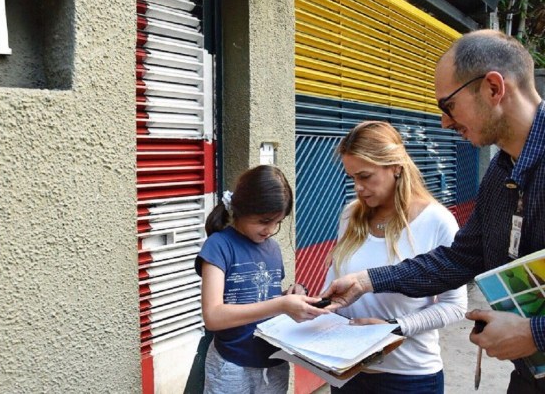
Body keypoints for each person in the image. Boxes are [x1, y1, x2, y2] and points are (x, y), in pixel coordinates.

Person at [321, 29, 545, 393]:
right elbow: (458, 260)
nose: (444, 122)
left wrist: (534, 332)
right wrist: (367, 281)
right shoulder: (499, 172)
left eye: (448, 105)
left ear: (493, 88)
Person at [321, 121, 467, 393]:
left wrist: (393, 328)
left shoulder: (437, 221)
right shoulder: (349, 215)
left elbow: (454, 306)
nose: (359, 188)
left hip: (409, 376)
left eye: (365, 176)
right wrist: (313, 302)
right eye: (352, 178)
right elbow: (336, 284)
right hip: (346, 371)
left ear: (396, 166)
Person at [195, 165, 328, 394]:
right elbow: (213, 317)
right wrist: (280, 304)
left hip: (273, 363)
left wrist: (289, 296)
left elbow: (265, 298)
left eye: (278, 222)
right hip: (231, 366)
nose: (270, 229)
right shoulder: (219, 246)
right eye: (264, 221)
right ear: (242, 209)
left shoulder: (273, 248)